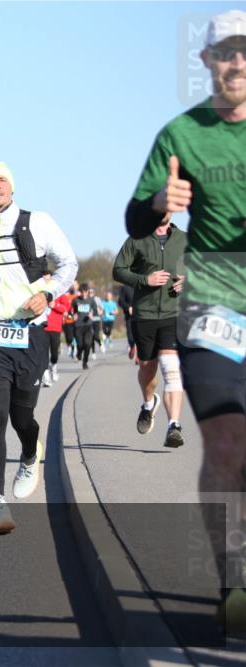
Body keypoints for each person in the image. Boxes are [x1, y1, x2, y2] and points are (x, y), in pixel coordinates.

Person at [124, 9, 246, 630]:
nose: (238, 62)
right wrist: (157, 203)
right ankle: (233, 581)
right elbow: (134, 223)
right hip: (215, 308)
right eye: (225, 52)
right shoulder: (181, 133)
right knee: (228, 442)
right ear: (206, 61)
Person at [0, 161, 78, 535]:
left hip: (30, 333)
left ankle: (30, 453)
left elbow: (68, 264)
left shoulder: (37, 221)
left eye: (2, 180)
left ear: (12, 186)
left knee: (22, 417)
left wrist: (47, 293)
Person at [112, 215, 187, 448]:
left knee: (171, 369)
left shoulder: (185, 239)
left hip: (174, 314)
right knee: (147, 368)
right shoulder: (137, 239)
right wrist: (145, 279)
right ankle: (148, 403)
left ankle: (173, 425)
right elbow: (118, 270)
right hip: (144, 315)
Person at [43, 270, 68, 386]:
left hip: (55, 327)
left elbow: (65, 309)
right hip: (42, 327)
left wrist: (55, 305)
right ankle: (46, 375)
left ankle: (54, 367)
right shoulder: (38, 292)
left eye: (48, 278)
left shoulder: (59, 292)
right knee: (43, 353)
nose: (46, 281)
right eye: (44, 279)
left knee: (54, 353)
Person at [70, 283, 98, 370]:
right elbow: (71, 311)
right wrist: (73, 315)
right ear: (80, 292)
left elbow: (96, 310)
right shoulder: (76, 301)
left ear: (88, 292)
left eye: (85, 292)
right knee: (80, 345)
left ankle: (85, 362)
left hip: (88, 325)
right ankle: (78, 354)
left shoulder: (91, 301)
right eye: (82, 292)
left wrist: (92, 314)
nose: (84, 294)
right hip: (78, 326)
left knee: (87, 344)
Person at [117, 283, 138, 360]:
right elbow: (120, 301)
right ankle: (132, 346)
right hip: (129, 316)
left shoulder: (141, 285)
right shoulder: (124, 288)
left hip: (142, 315)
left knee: (141, 337)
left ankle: (138, 357)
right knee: (131, 336)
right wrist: (128, 307)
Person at [62, 281, 79, 359]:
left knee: (77, 336)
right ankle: (70, 346)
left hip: (77, 321)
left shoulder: (79, 295)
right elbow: (62, 306)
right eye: (72, 285)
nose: (73, 286)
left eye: (75, 285)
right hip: (67, 320)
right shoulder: (65, 296)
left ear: (77, 286)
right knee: (69, 337)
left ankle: (75, 350)